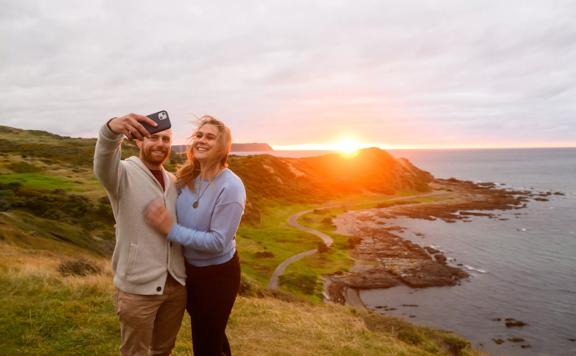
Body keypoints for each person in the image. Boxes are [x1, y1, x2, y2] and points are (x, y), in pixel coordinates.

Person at [144, 115, 246, 356]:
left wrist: (171, 230)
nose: (201, 140)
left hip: (217, 276)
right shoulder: (188, 178)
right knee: (212, 333)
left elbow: (218, 241)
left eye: (210, 137)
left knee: (205, 342)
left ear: (223, 147)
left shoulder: (231, 187)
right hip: (189, 272)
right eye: (199, 135)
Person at [93, 114, 187, 356]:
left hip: (176, 285)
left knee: (163, 349)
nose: (161, 144)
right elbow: (103, 161)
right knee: (135, 351)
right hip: (137, 288)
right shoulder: (122, 174)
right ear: (138, 141)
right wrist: (111, 129)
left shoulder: (173, 181)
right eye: (153, 137)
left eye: (166, 139)